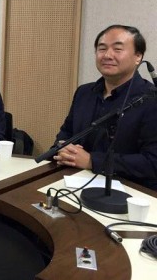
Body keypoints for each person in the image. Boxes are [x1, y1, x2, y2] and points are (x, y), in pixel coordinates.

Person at [54, 24, 157, 190]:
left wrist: (92, 161)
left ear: (138, 56)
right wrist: (64, 149)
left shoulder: (151, 99)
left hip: (132, 191)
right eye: (102, 49)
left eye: (117, 49)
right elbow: (67, 132)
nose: (107, 55)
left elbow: (152, 162)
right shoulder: (84, 92)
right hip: (74, 182)